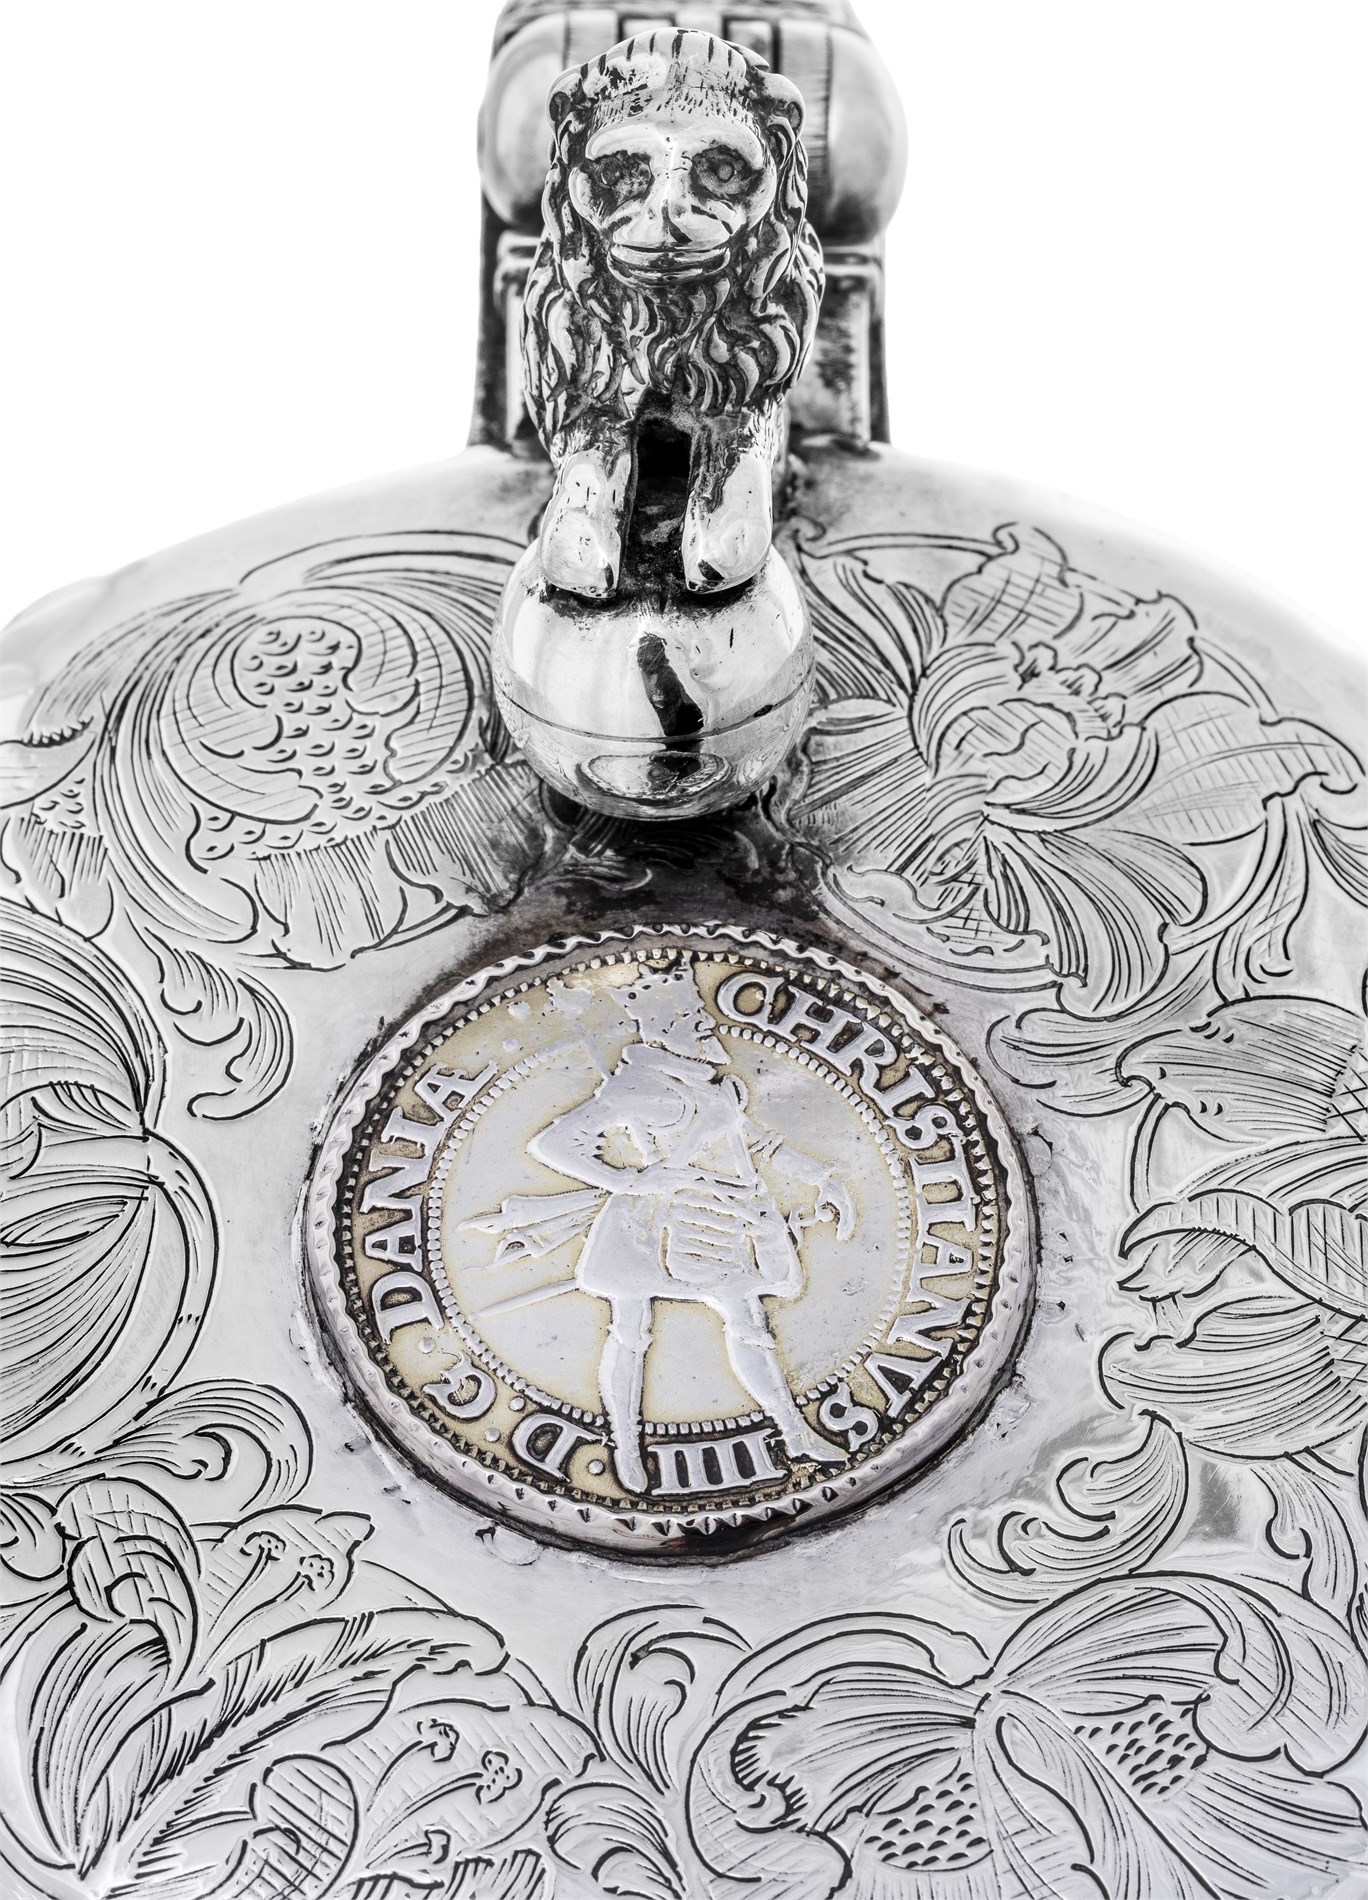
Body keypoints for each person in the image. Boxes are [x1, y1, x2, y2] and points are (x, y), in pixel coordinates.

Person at [466, 964, 855, 1492]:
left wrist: (821, 1177)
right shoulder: (640, 1087)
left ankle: (795, 1434)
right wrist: (630, 1180)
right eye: (691, 1016)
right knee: (630, 1332)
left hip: (715, 1218)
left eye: (699, 1012)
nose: (704, 1023)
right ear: (661, 1026)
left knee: (749, 1323)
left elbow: (754, 1143)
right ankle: (627, 1448)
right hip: (644, 1227)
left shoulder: (707, 1084)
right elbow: (552, 1144)